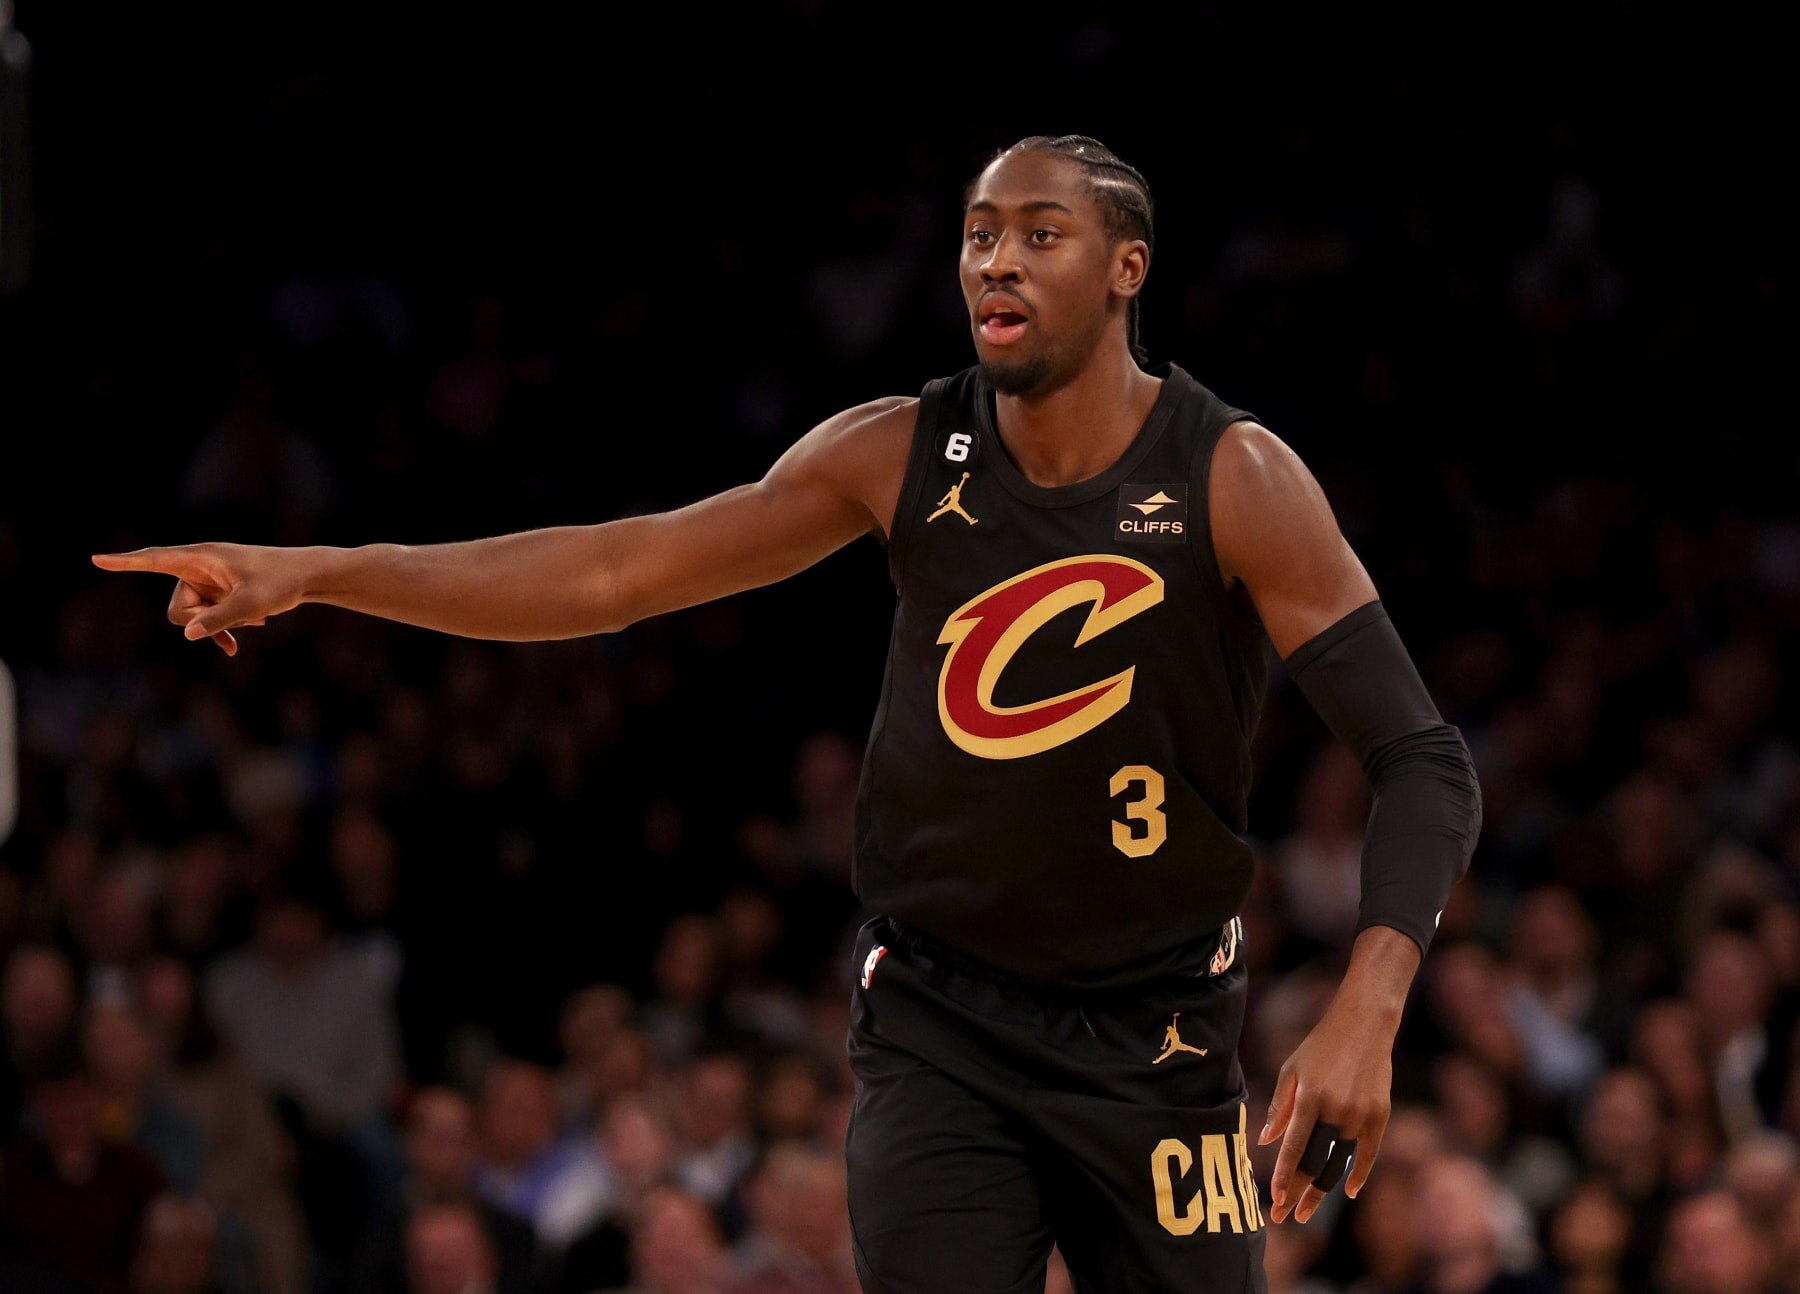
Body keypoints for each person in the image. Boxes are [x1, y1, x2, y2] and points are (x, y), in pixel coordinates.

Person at [94, 134, 1483, 1291]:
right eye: (978, 231)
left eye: (1038, 231)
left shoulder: (1235, 473)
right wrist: (323, 573)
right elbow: (609, 569)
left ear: (1127, 267)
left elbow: (1423, 758)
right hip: (943, 1024)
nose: (994, 257)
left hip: (1165, 1037)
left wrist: (1369, 1001)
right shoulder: (897, 449)